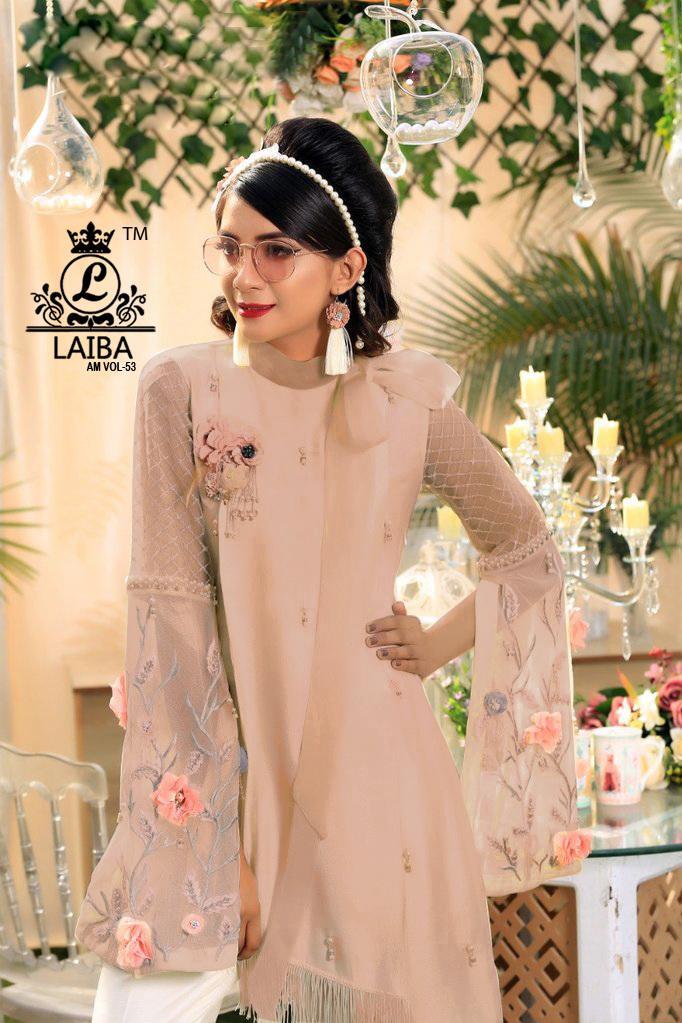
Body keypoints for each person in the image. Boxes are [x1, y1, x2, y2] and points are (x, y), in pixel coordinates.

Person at [76, 116, 590, 1023]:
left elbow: (527, 550)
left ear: (347, 269)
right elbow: (173, 624)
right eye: (231, 247)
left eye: (277, 251)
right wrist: (214, 846)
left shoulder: (406, 402)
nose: (245, 275)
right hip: (235, 778)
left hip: (383, 780)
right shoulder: (182, 388)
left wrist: (434, 646)